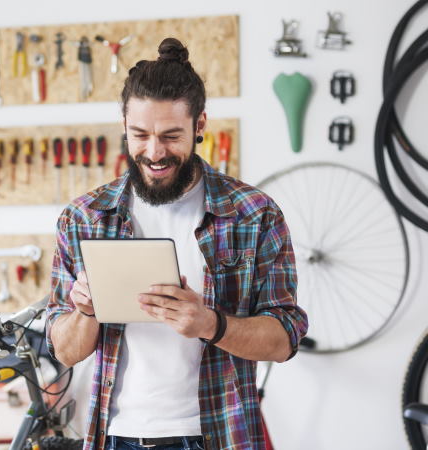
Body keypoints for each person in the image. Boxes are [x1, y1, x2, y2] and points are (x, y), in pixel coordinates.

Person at [45, 38, 308, 450]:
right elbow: (65, 351)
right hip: (115, 436)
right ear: (123, 125)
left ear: (199, 125)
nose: (154, 152)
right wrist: (85, 311)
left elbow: (284, 338)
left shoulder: (254, 214)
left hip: (215, 435)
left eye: (170, 135)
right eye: (140, 135)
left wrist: (210, 324)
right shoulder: (84, 217)